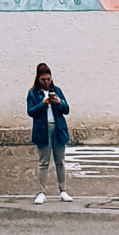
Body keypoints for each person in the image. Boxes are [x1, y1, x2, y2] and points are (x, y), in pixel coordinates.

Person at [27, 62, 73, 201]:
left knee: (60, 161)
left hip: (58, 128)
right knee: (43, 162)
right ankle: (42, 192)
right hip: (43, 129)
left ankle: (63, 190)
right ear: (38, 79)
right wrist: (43, 104)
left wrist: (60, 102)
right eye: (43, 79)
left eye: (49, 79)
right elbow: (30, 111)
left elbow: (67, 110)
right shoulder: (33, 93)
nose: (47, 82)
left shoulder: (57, 90)